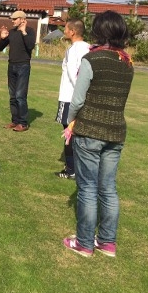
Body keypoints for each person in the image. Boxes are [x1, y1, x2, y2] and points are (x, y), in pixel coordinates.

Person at [62, 11, 134, 258]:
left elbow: (78, 99)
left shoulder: (91, 59)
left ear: (99, 31)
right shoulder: (127, 62)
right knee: (108, 188)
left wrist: (71, 122)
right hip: (116, 132)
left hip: (90, 130)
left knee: (88, 188)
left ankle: (84, 243)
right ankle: (107, 242)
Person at [55, 19, 90, 180]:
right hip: (83, 97)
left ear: (73, 32)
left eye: (66, 28)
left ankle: (71, 169)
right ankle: (80, 166)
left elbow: (73, 73)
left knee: (69, 133)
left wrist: (78, 93)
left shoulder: (73, 49)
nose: (64, 31)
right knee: (79, 133)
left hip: (69, 97)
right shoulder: (89, 48)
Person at [0, 10, 36, 132]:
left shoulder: (29, 31)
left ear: (22, 19)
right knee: (12, 96)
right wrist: (3, 38)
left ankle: (23, 123)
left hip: (23, 66)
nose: (12, 21)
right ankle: (15, 121)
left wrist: (23, 32)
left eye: (15, 19)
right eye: (12, 19)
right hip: (11, 66)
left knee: (20, 96)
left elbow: (30, 46)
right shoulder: (12, 33)